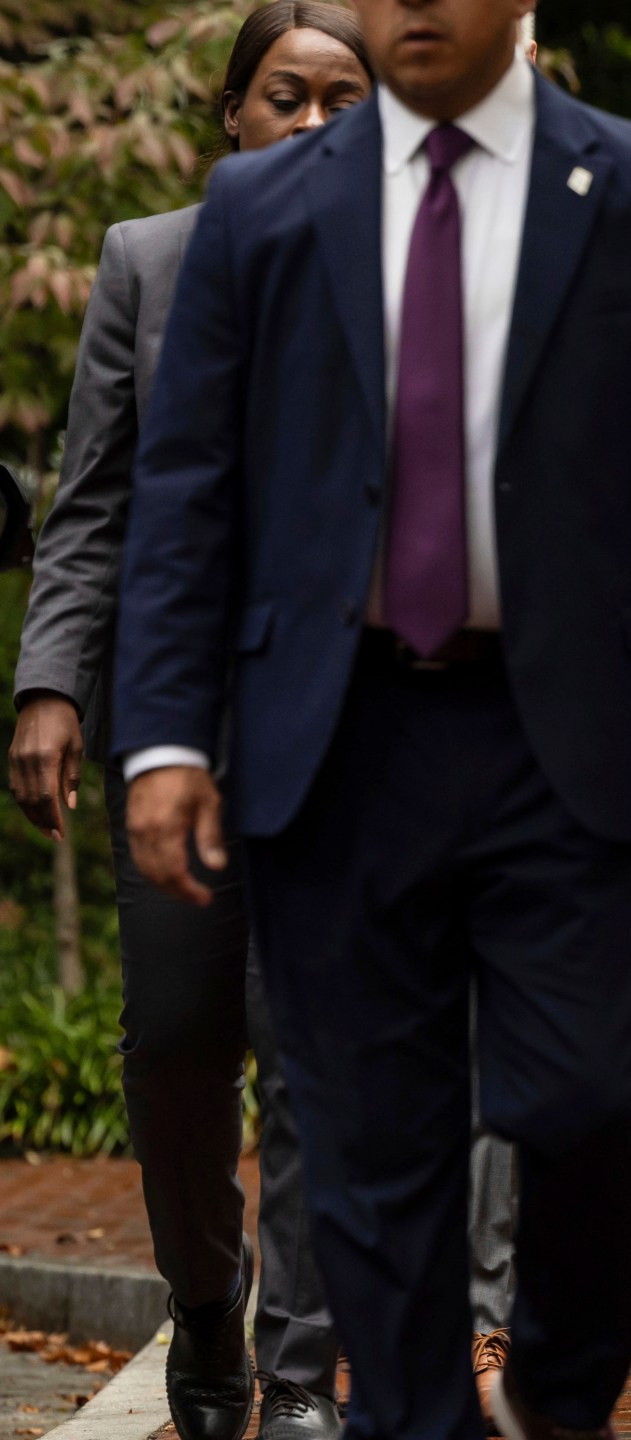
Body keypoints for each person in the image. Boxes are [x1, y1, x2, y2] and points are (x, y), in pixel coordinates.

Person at [109, 0, 631, 1436]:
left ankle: (552, 1389)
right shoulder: (259, 211)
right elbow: (187, 488)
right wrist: (164, 736)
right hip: (335, 736)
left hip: (573, 738)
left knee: (601, 1110)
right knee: (369, 1143)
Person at [8, 9, 372, 1440]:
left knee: (315, 1048)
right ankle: (207, 1299)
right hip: (181, 725)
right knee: (173, 1044)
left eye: (346, 98)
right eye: (286, 95)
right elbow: (91, 501)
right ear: (232, 110)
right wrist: (52, 683)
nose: (314, 122)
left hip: (353, 727)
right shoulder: (148, 261)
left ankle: (299, 1375)